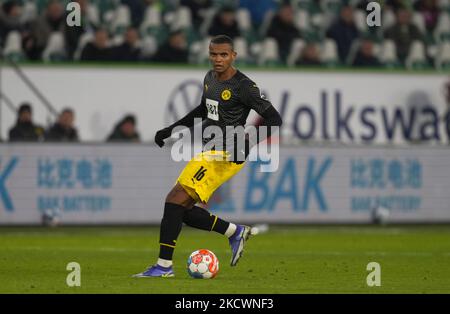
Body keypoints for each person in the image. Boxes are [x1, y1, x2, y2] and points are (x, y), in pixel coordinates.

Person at [133, 35, 282, 277]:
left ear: (233, 55)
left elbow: (275, 119)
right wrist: (172, 129)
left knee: (174, 199)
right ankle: (234, 232)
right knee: (181, 208)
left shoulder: (244, 86)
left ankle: (164, 266)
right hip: (210, 150)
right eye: (214, 54)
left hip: (228, 152)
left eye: (223, 54)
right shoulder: (210, 78)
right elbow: (203, 110)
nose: (218, 59)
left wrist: (249, 142)